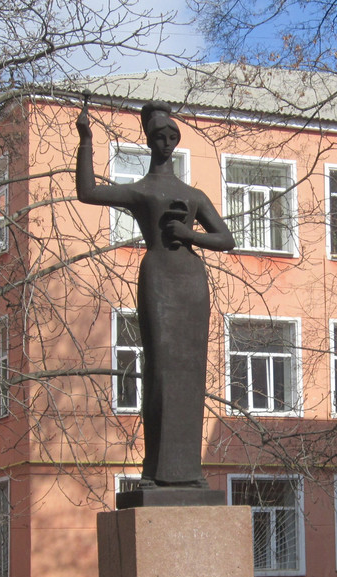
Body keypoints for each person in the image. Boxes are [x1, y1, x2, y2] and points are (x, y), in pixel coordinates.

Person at [75, 100, 235, 488]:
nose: (166, 142)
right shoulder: (142, 190)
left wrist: (189, 234)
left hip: (191, 282)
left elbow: (225, 239)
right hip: (159, 277)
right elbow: (87, 191)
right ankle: (157, 472)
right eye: (160, 136)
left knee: (191, 374)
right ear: (149, 140)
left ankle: (189, 473)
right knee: (160, 371)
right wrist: (86, 140)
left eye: (172, 136)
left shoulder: (193, 195)